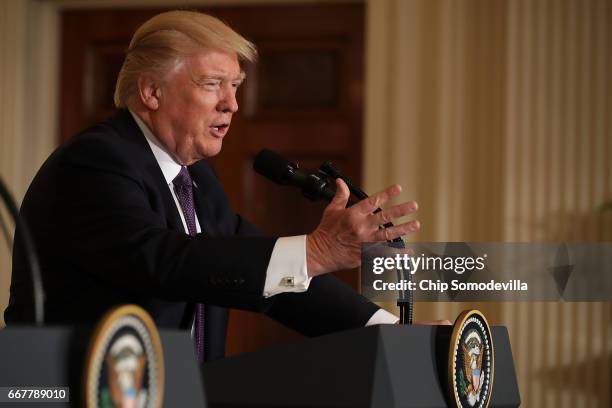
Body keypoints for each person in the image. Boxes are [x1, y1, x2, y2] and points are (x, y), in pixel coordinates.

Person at [5, 10, 420, 361]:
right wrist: (315, 251)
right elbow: (166, 262)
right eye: (212, 84)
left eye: (235, 85)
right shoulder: (96, 162)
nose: (232, 104)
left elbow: (274, 281)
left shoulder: (196, 177)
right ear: (151, 91)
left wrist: (386, 333)